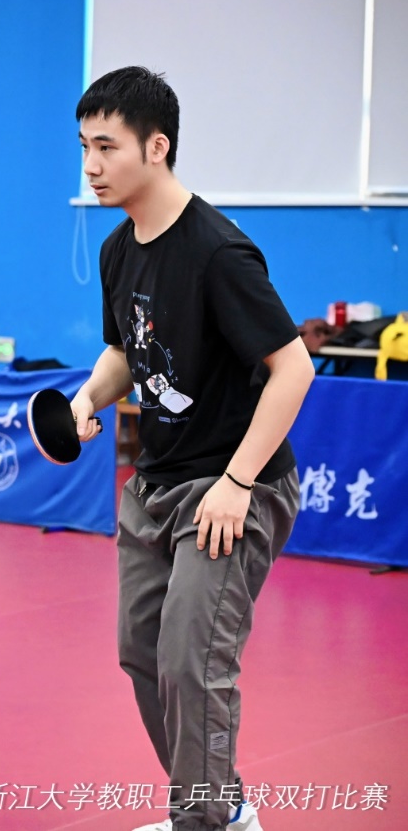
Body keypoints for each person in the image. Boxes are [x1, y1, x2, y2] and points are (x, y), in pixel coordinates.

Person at [71, 67, 314, 831]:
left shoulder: (217, 252)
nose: (91, 165)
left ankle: (203, 822)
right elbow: (126, 353)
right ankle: (221, 808)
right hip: (155, 485)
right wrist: (85, 399)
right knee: (141, 653)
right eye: (83, 147)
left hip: (230, 487)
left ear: (156, 146)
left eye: (106, 147)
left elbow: (293, 368)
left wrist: (237, 485)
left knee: (190, 660)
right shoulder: (118, 250)